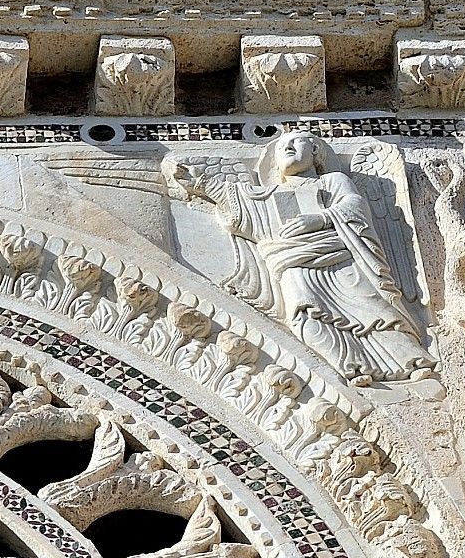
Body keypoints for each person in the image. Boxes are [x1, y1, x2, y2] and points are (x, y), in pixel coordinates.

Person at [167, 129, 434, 387]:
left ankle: (411, 360)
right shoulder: (268, 194)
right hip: (295, 266)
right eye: (283, 148)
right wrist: (202, 183)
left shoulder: (331, 181)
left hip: (339, 261)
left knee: (373, 311)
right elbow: (246, 213)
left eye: (297, 143)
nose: (288, 149)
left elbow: (354, 206)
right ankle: (352, 365)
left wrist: (321, 218)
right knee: (305, 318)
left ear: (316, 151)